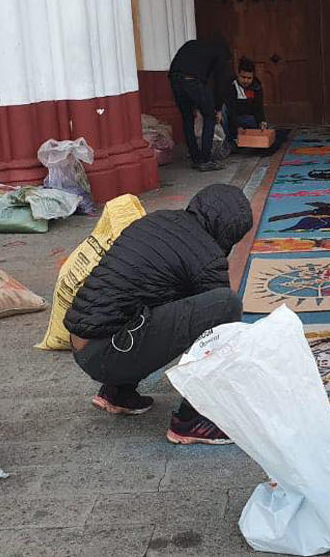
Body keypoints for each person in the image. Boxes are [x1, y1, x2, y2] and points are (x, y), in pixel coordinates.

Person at [64, 184, 252, 445]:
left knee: (158, 294)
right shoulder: (207, 255)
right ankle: (193, 420)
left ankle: (118, 392)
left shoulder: (157, 219)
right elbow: (216, 331)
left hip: (81, 343)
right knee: (225, 305)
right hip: (109, 353)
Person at [168, 37, 233, 171]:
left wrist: (198, 103)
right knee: (209, 116)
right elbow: (220, 81)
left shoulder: (195, 46)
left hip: (175, 79)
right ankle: (205, 159)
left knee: (187, 118)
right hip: (192, 80)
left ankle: (196, 158)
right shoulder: (220, 52)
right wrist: (218, 108)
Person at [224, 56, 267, 143]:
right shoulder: (232, 86)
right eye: (243, 77)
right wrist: (236, 127)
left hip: (249, 119)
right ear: (238, 74)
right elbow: (231, 110)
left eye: (249, 78)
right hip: (234, 119)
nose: (246, 81)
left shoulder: (256, 87)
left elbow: (259, 107)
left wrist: (262, 121)